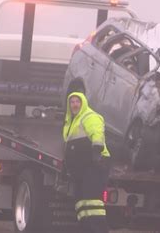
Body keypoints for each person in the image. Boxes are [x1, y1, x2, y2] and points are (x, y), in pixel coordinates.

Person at [62, 92, 111, 233]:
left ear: (83, 103)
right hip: (81, 167)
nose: (75, 104)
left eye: (78, 101)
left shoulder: (89, 116)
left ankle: (99, 230)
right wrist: (66, 166)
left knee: (93, 202)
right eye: (72, 102)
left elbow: (97, 134)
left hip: (96, 164)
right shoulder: (71, 121)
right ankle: (86, 229)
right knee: (81, 203)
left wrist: (96, 154)